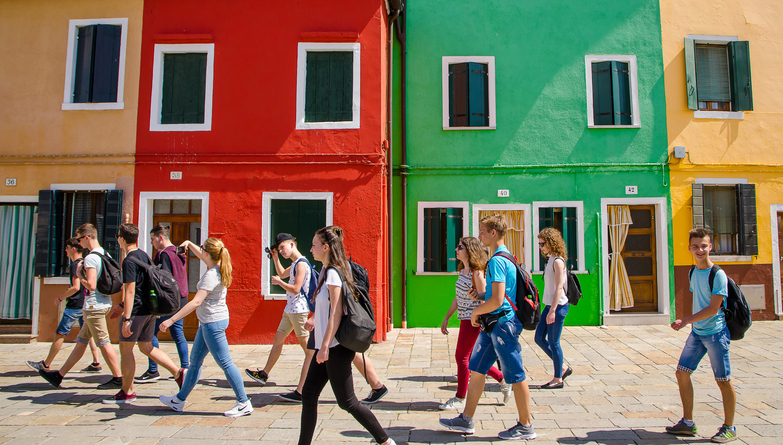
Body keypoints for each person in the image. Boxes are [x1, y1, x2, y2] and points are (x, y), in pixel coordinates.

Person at [439, 214, 536, 440]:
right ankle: (466, 419)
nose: (479, 235)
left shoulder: (497, 261)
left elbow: (499, 299)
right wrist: (480, 295)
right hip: (492, 324)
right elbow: (495, 294)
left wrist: (475, 310)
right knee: (477, 369)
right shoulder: (507, 256)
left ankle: (526, 425)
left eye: (482, 231)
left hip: (502, 325)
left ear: (493, 233)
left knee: (516, 375)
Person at [298, 226, 395, 445]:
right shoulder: (325, 271)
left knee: (348, 402)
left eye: (314, 245)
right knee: (309, 394)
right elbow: (326, 308)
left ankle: (386, 442)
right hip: (327, 347)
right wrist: (315, 319)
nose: (310, 249)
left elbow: (336, 311)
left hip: (335, 348)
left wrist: (323, 347)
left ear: (326, 247)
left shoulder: (332, 273)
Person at [158, 238, 252, 417]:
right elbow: (203, 256)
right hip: (208, 322)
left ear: (208, 254)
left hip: (212, 323)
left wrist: (171, 320)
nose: (201, 253)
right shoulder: (218, 266)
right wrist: (189, 243)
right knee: (194, 363)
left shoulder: (211, 274)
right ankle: (179, 400)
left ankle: (243, 402)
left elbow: (196, 302)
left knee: (225, 363)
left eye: (203, 251)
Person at [667, 228, 738, 443]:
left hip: (716, 334)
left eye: (704, 246)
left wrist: (686, 320)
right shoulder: (692, 272)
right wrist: (691, 324)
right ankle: (688, 423)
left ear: (711, 247)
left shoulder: (718, 275)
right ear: (689, 248)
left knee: (723, 380)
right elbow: (697, 299)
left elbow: (713, 308)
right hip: (697, 333)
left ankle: (730, 427)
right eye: (696, 246)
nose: (700, 250)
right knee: (682, 373)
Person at [103, 223, 185, 404]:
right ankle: (178, 373)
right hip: (149, 310)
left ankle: (127, 391)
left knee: (126, 349)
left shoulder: (129, 261)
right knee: (146, 347)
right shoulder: (144, 256)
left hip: (137, 312)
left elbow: (131, 291)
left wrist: (126, 317)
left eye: (118, 237)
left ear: (122, 239)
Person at [38, 223, 123, 389]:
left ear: (87, 237)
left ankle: (118, 377)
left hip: (94, 307)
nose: (78, 243)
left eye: (79, 239)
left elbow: (91, 285)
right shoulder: (104, 253)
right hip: (103, 302)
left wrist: (78, 274)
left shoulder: (91, 258)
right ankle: (59, 375)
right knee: (82, 342)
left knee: (104, 343)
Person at [439, 237, 508, 410]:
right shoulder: (463, 271)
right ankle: (502, 379)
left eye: (460, 247)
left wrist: (476, 300)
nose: (456, 249)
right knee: (470, 358)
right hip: (464, 319)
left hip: (474, 321)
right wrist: (447, 316)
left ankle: (460, 397)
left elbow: (485, 297)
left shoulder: (477, 273)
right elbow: (458, 297)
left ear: (469, 250)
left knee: (461, 357)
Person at [245, 233, 314, 403]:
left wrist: (279, 283)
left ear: (292, 244)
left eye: (282, 247)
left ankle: (312, 380)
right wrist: (275, 258)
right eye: (279, 249)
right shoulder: (295, 264)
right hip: (290, 310)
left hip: (299, 311)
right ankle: (264, 374)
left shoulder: (302, 264)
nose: (281, 251)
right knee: (278, 339)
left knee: (308, 349)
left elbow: (296, 288)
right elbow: (283, 273)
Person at [26, 237, 102, 373]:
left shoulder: (75, 265)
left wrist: (60, 298)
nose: (65, 251)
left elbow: (76, 287)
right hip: (85, 303)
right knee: (88, 333)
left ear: (73, 249)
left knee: (60, 333)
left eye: (66, 248)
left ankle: (46, 364)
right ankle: (96, 362)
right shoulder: (85, 263)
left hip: (74, 305)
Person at [135, 224, 189, 383]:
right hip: (182, 298)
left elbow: (163, 281)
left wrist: (158, 306)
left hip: (169, 301)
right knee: (178, 333)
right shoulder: (179, 252)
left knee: (149, 333)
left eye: (152, 239)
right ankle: (185, 368)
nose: (152, 243)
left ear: (160, 238)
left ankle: (153, 370)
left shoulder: (164, 254)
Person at [533, 228, 573, 389]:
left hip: (557, 306)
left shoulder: (558, 261)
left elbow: (559, 288)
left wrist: (552, 310)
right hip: (549, 305)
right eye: (539, 244)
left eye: (543, 244)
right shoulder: (550, 260)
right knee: (539, 338)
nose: (541, 247)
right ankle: (563, 367)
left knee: (554, 342)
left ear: (551, 243)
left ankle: (558, 379)